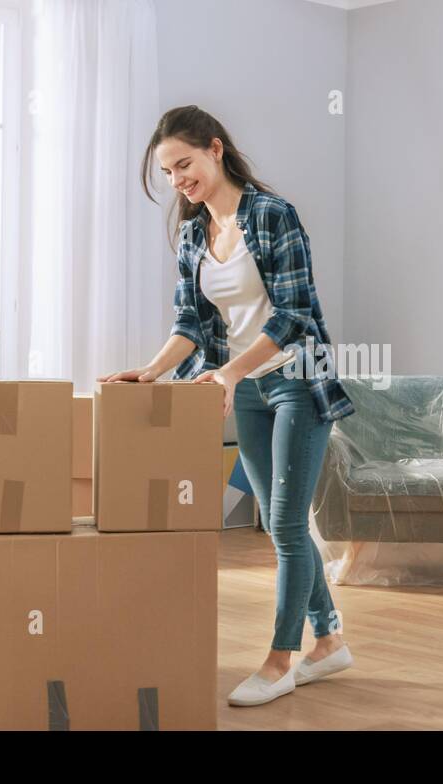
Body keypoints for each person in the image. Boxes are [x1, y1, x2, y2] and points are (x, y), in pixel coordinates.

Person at [101, 105, 355, 706]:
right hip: (244, 387)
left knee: (288, 525)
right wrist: (151, 370)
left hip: (295, 376)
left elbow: (294, 314)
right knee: (275, 520)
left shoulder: (273, 215)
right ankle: (330, 641)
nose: (176, 181)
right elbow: (190, 321)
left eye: (183, 164)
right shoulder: (193, 233)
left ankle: (278, 660)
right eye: (166, 173)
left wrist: (228, 373)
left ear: (215, 150)